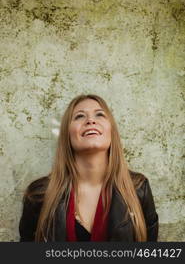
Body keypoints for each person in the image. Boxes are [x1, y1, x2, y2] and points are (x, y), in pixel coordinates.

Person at [19, 94, 159, 242]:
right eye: (79, 116)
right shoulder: (38, 194)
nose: (90, 120)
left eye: (100, 115)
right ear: (67, 134)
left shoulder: (139, 188)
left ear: (111, 131)